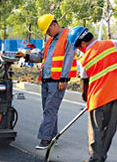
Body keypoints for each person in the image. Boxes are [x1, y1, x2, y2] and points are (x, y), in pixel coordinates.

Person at [68, 26, 117, 162]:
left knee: (96, 129)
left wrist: (86, 99)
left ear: (82, 43)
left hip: (98, 98)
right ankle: (102, 155)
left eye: (78, 47)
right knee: (110, 128)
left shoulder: (85, 60)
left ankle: (95, 158)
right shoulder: (112, 43)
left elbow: (84, 84)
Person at [16, 15, 78, 150]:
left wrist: (64, 78)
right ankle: (52, 136)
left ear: (53, 25)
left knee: (50, 110)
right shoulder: (50, 41)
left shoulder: (68, 37)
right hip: (46, 80)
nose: (47, 34)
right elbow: (40, 57)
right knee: (49, 110)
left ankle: (45, 139)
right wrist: (26, 56)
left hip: (57, 81)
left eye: (47, 30)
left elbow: (68, 59)